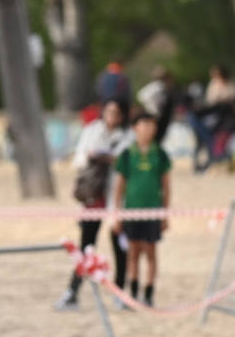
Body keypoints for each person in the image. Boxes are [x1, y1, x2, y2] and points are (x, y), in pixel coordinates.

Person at [56, 99, 130, 311]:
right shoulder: (91, 131)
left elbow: (126, 165)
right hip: (94, 197)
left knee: (120, 247)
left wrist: (113, 159)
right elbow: (78, 159)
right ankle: (72, 292)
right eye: (108, 112)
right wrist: (92, 157)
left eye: (116, 113)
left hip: (117, 198)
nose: (111, 117)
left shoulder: (127, 137)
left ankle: (119, 294)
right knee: (86, 246)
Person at [112, 110, 171, 307]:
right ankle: (133, 294)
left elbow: (166, 187)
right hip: (131, 211)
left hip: (153, 211)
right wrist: (118, 214)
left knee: (151, 253)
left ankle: (149, 294)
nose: (147, 129)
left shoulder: (160, 155)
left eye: (151, 125)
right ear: (134, 128)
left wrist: (164, 214)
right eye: (143, 124)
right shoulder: (128, 155)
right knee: (133, 254)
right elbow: (119, 187)